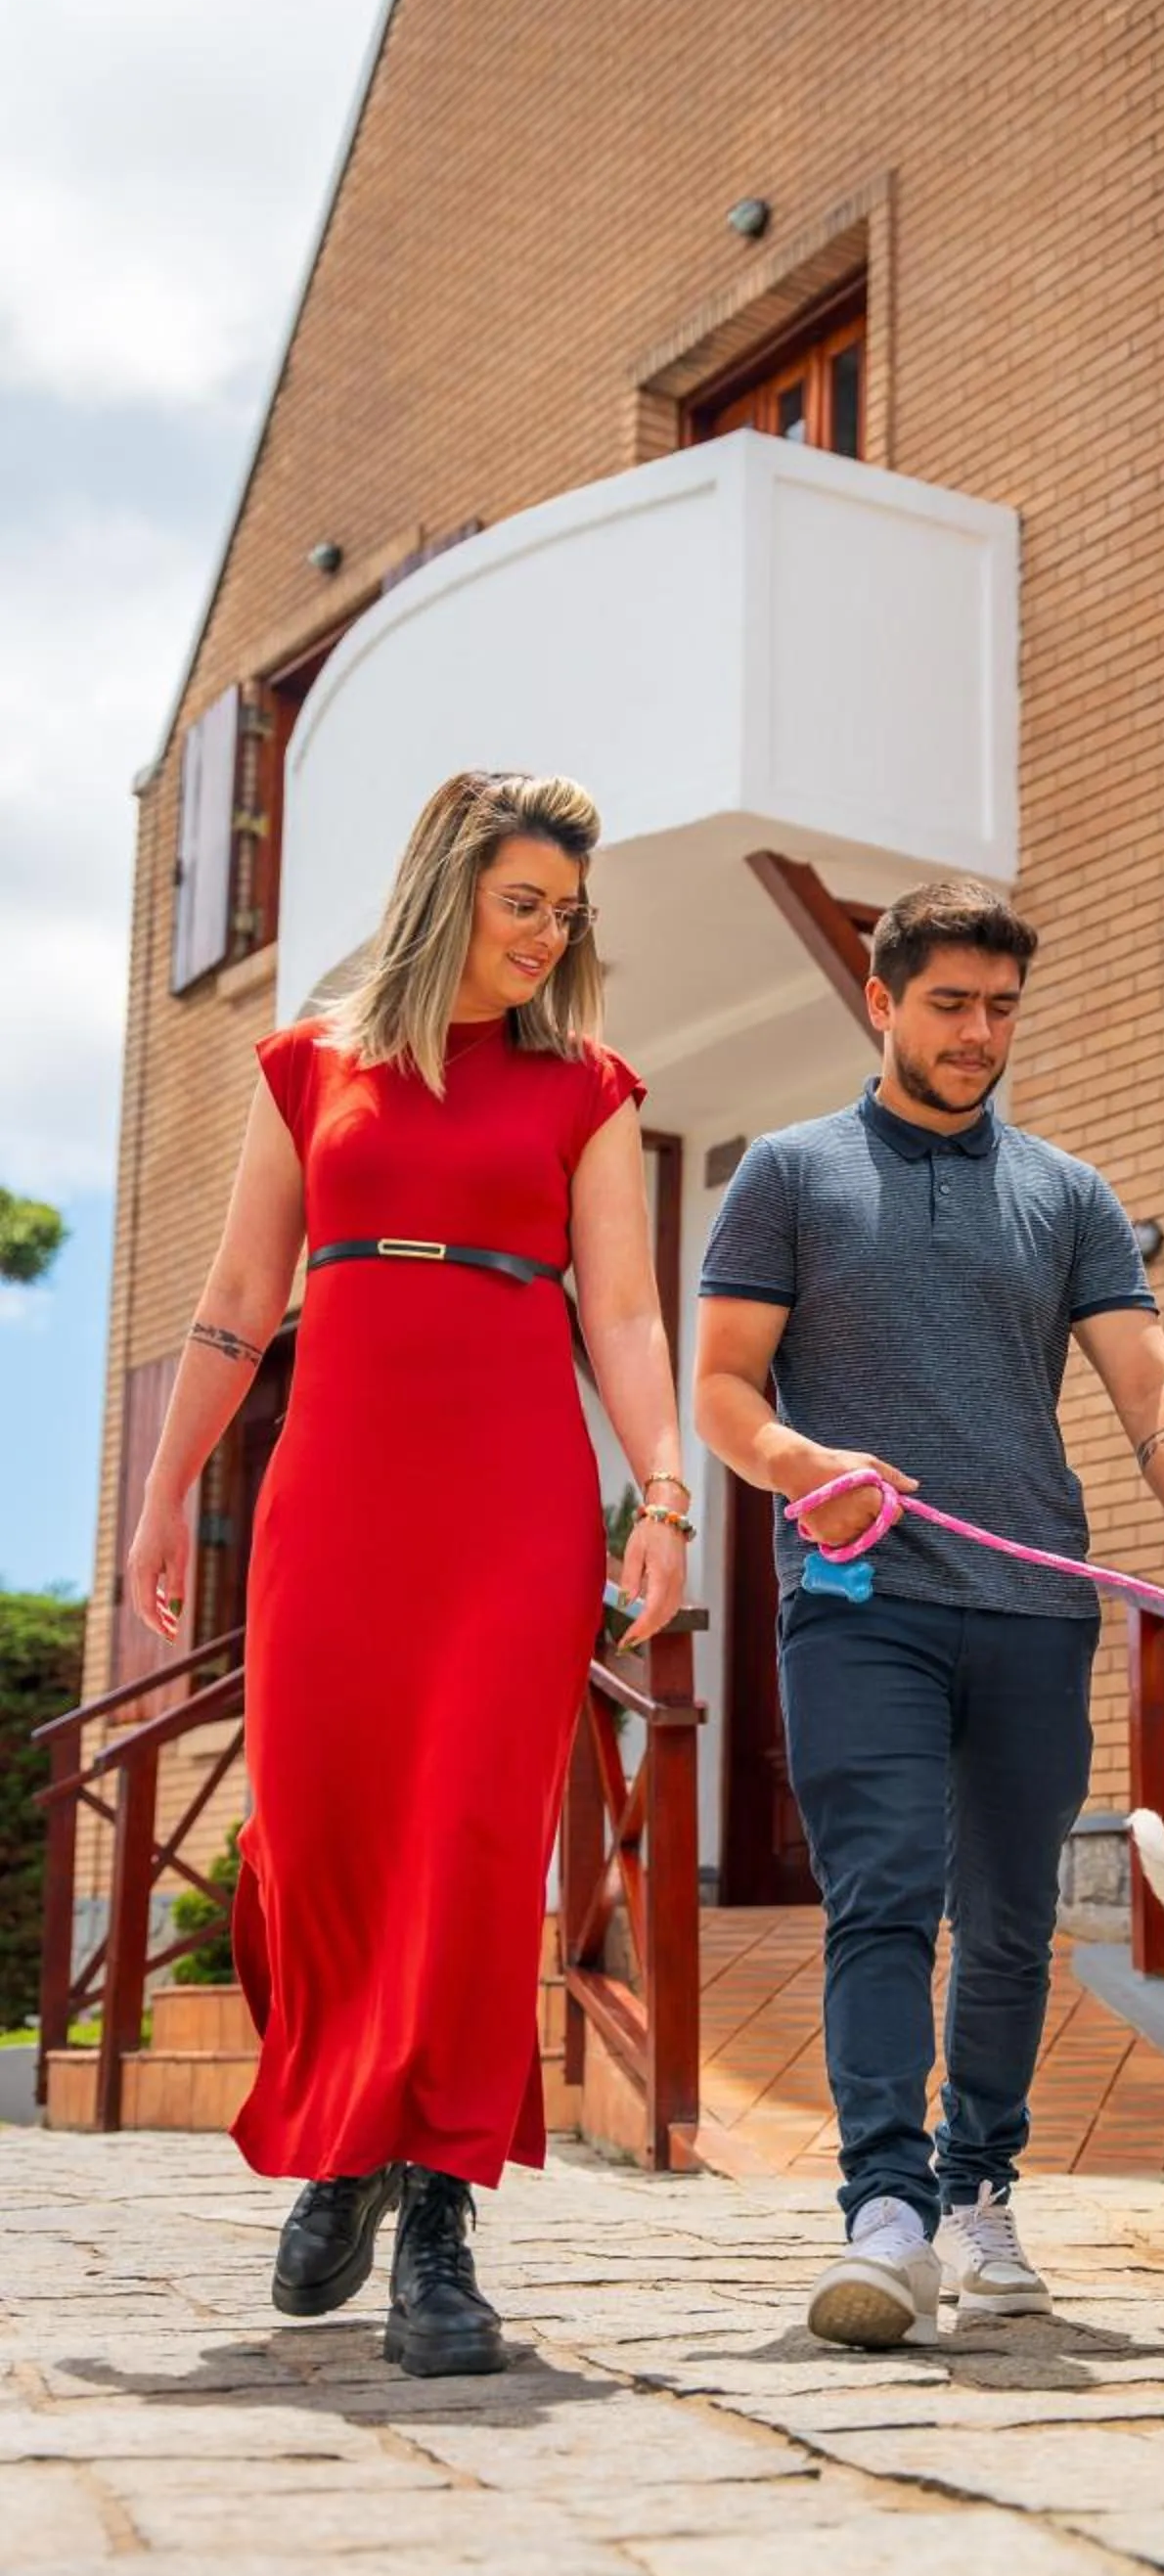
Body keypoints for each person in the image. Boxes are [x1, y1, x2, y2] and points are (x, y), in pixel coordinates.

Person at [126, 770, 690, 2377]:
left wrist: (660, 1495)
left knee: (467, 1835)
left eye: (566, 914)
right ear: (450, 887)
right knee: (314, 1827)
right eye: (525, 902)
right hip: (338, 1492)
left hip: (510, 1492)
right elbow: (242, 1294)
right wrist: (169, 1493)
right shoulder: (312, 1068)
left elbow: (628, 1315)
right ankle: (340, 2138)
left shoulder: (585, 1086)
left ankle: (436, 2215)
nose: (547, 935)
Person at [695, 879, 1164, 2349]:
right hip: (861, 1599)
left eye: (1001, 1007)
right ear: (881, 1004)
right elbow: (724, 1388)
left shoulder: (1064, 1195)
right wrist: (798, 1466)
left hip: (1033, 1605)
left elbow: (1152, 1386)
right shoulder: (790, 1173)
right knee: (883, 1896)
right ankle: (884, 2214)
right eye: (949, 1004)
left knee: (1012, 1924)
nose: (978, 1033)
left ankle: (978, 2193)